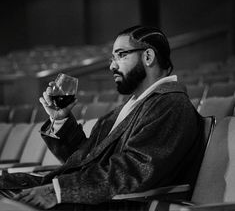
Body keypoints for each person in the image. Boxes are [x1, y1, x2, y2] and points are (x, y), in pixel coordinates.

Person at [0, 25, 204, 210]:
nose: (112, 66)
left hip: (115, 204)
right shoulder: (130, 107)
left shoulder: (171, 104)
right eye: (112, 58)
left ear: (148, 56)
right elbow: (85, 159)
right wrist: (60, 120)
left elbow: (134, 171)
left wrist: (57, 191)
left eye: (120, 55)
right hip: (88, 197)